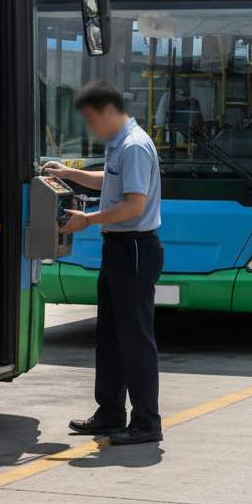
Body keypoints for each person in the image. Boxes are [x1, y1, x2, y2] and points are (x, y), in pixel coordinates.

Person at [43, 81, 164, 446]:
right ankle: (110, 412)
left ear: (109, 111)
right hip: (117, 248)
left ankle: (146, 421)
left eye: (93, 120)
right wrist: (68, 173)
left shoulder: (135, 146)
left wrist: (88, 219)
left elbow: (133, 205)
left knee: (135, 338)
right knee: (109, 335)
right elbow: (108, 182)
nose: (91, 128)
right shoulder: (118, 145)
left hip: (135, 248)